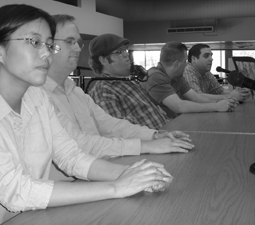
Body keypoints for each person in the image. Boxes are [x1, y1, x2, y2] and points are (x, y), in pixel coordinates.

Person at [0, 5, 173, 225]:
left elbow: (71, 157)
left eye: (49, 45)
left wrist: (135, 173)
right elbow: (15, 190)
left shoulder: (37, 98)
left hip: (39, 216)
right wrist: (117, 186)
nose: (46, 53)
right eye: (34, 42)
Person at [42, 15, 194, 159]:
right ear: (48, 46)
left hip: (99, 167)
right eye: (69, 41)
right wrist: (146, 145)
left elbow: (110, 125)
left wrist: (154, 135)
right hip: (84, 176)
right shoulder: (39, 96)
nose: (78, 48)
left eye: (78, 43)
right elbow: (80, 145)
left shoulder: (75, 92)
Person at [87, 33, 170, 130]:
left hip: (166, 134)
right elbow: (118, 133)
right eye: (119, 51)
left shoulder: (128, 82)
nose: (126, 54)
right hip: (154, 142)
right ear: (104, 60)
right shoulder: (104, 91)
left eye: (125, 50)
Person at [140, 41, 238, 118]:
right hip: (158, 130)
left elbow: (196, 98)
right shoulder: (155, 76)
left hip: (173, 122)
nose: (187, 64)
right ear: (177, 64)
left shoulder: (177, 76)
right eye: (185, 61)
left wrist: (222, 103)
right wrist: (216, 106)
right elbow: (179, 106)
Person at [183, 43, 250, 102]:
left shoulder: (206, 73)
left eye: (211, 55)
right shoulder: (187, 70)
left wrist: (239, 93)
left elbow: (220, 92)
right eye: (206, 56)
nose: (211, 59)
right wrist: (231, 96)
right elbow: (197, 97)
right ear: (194, 59)